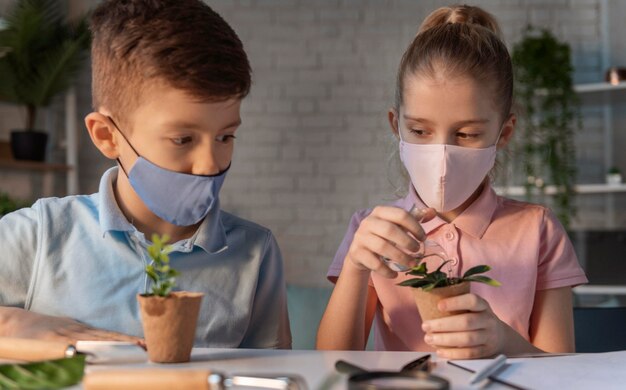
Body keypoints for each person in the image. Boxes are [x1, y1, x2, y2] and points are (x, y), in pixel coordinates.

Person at [0, 0, 291, 349]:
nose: (209, 164)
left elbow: (274, 375)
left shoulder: (256, 253)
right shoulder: (36, 236)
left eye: (225, 136)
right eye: (182, 139)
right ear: (107, 136)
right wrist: (11, 324)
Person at [316, 4, 587, 359]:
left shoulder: (538, 231)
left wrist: (504, 342)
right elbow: (331, 362)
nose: (441, 155)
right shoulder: (370, 230)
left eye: (467, 134)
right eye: (419, 130)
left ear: (503, 132)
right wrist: (355, 264)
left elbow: (564, 372)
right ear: (396, 125)